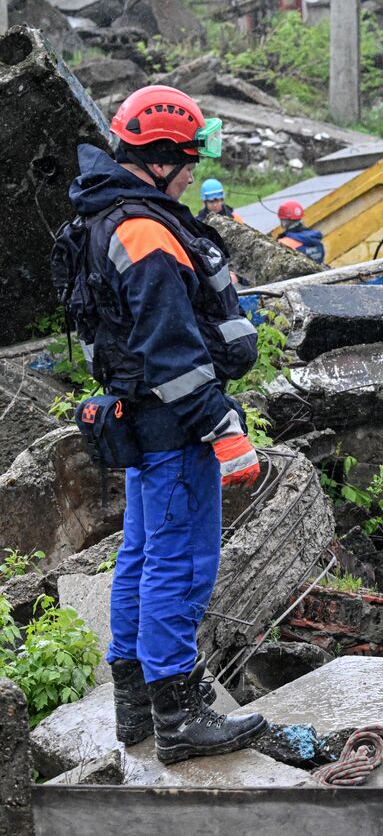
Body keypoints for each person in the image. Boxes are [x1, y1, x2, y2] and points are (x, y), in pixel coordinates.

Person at [59, 85, 267, 764]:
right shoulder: (144, 230)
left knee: (143, 559)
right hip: (176, 427)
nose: (191, 173)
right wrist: (222, 425)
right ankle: (179, 718)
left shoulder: (104, 215)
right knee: (179, 566)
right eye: (186, 159)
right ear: (158, 156)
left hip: (141, 423)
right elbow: (171, 347)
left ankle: (136, 708)